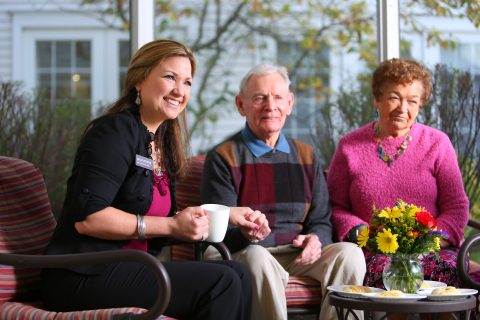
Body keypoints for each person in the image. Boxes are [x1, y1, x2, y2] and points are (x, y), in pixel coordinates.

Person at [41, 39, 261, 320]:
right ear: (139, 81)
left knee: (238, 274)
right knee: (222, 282)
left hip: (128, 267)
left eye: (187, 82)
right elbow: (89, 219)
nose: (179, 91)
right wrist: (171, 225)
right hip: (81, 274)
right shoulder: (113, 132)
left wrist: (227, 215)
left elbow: (163, 220)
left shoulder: (160, 143)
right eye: (170, 77)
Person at [201, 63, 366, 320]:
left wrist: (316, 240)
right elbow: (218, 231)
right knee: (257, 257)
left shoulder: (307, 155)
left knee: (350, 254)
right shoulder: (223, 156)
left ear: (289, 103)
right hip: (248, 252)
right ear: (241, 104)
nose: (270, 106)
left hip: (296, 254)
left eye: (278, 97)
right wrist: (247, 234)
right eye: (259, 98)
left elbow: (321, 219)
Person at [327, 58, 469, 289]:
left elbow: (456, 206)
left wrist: (428, 241)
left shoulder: (437, 143)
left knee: (445, 277)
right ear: (377, 100)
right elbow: (335, 207)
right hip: (374, 250)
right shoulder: (349, 146)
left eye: (412, 101)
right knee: (384, 274)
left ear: (420, 104)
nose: (403, 108)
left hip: (432, 249)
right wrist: (366, 233)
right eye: (394, 97)